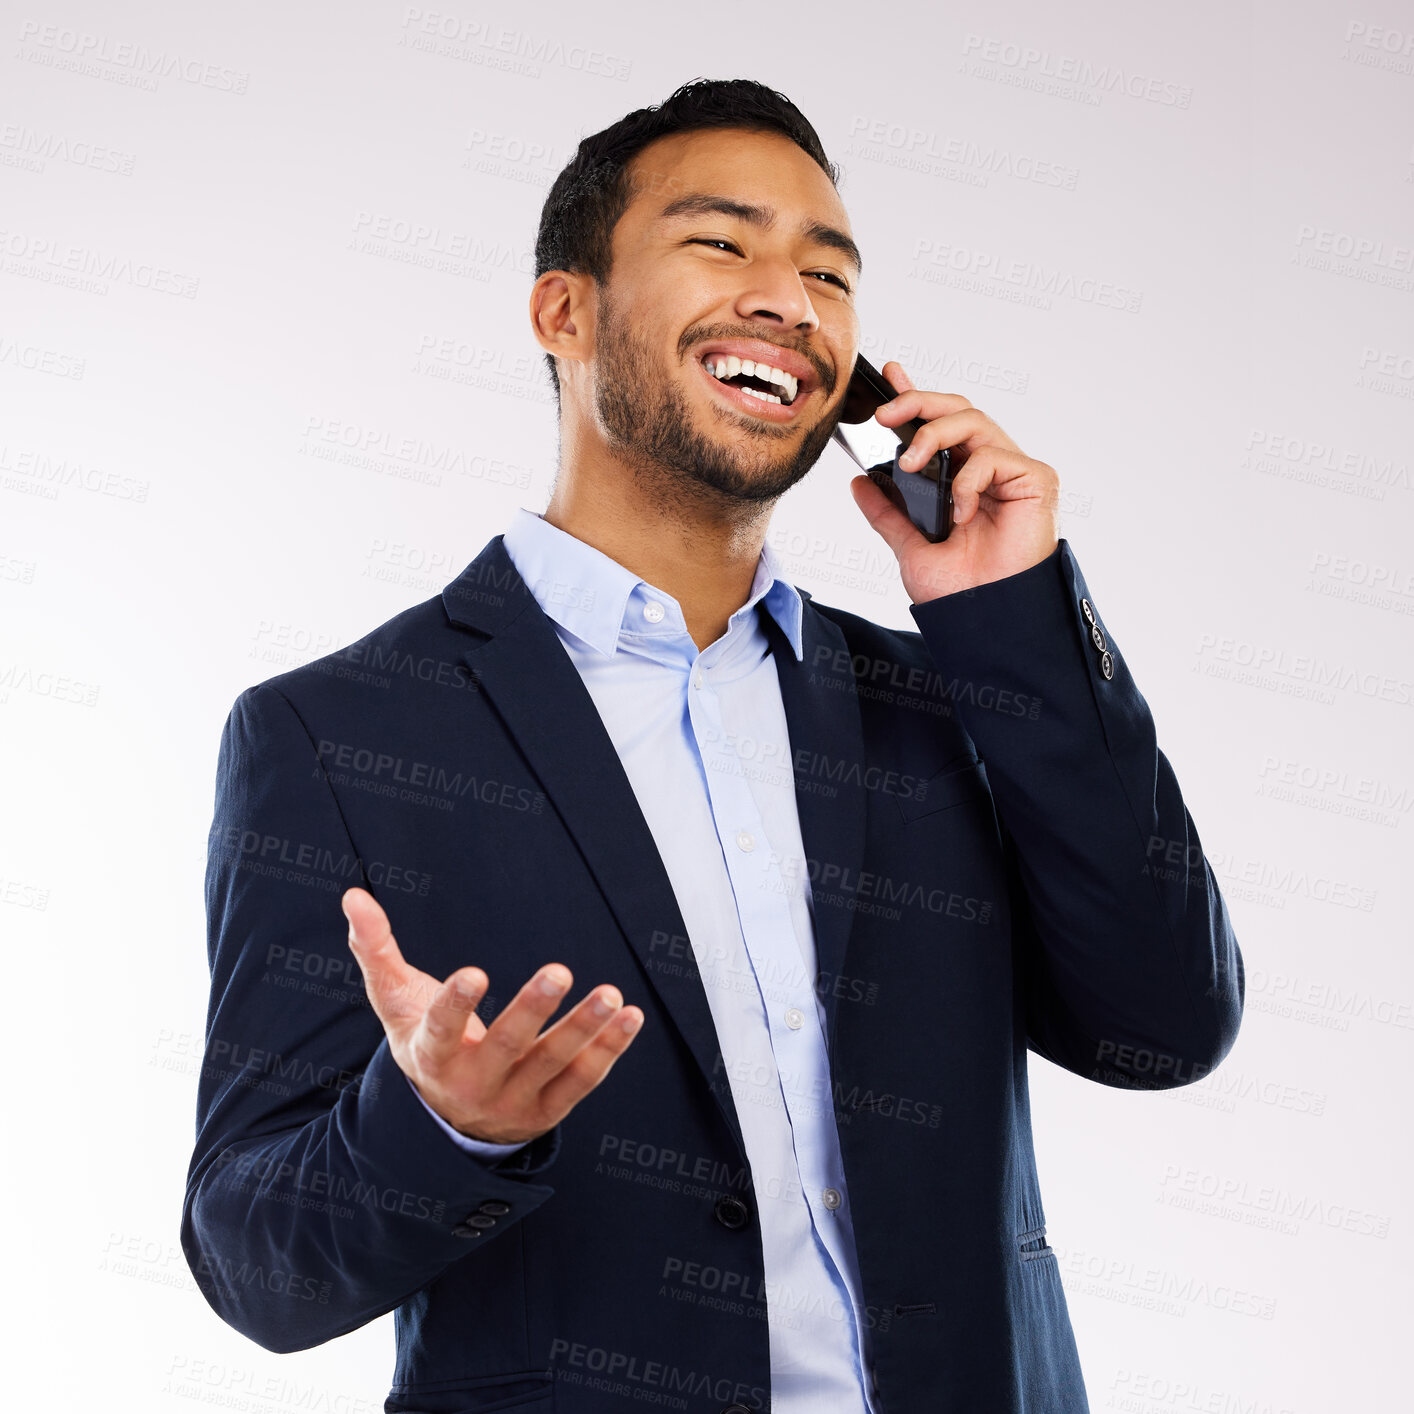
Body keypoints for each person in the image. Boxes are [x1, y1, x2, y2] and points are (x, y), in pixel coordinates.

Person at [181, 77, 1244, 1414]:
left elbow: (1161, 1026)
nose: (789, 301)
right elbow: (254, 1265)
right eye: (721, 243)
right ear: (563, 311)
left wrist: (1011, 619)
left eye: (827, 273)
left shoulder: (946, 699)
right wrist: (446, 1123)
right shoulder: (337, 734)